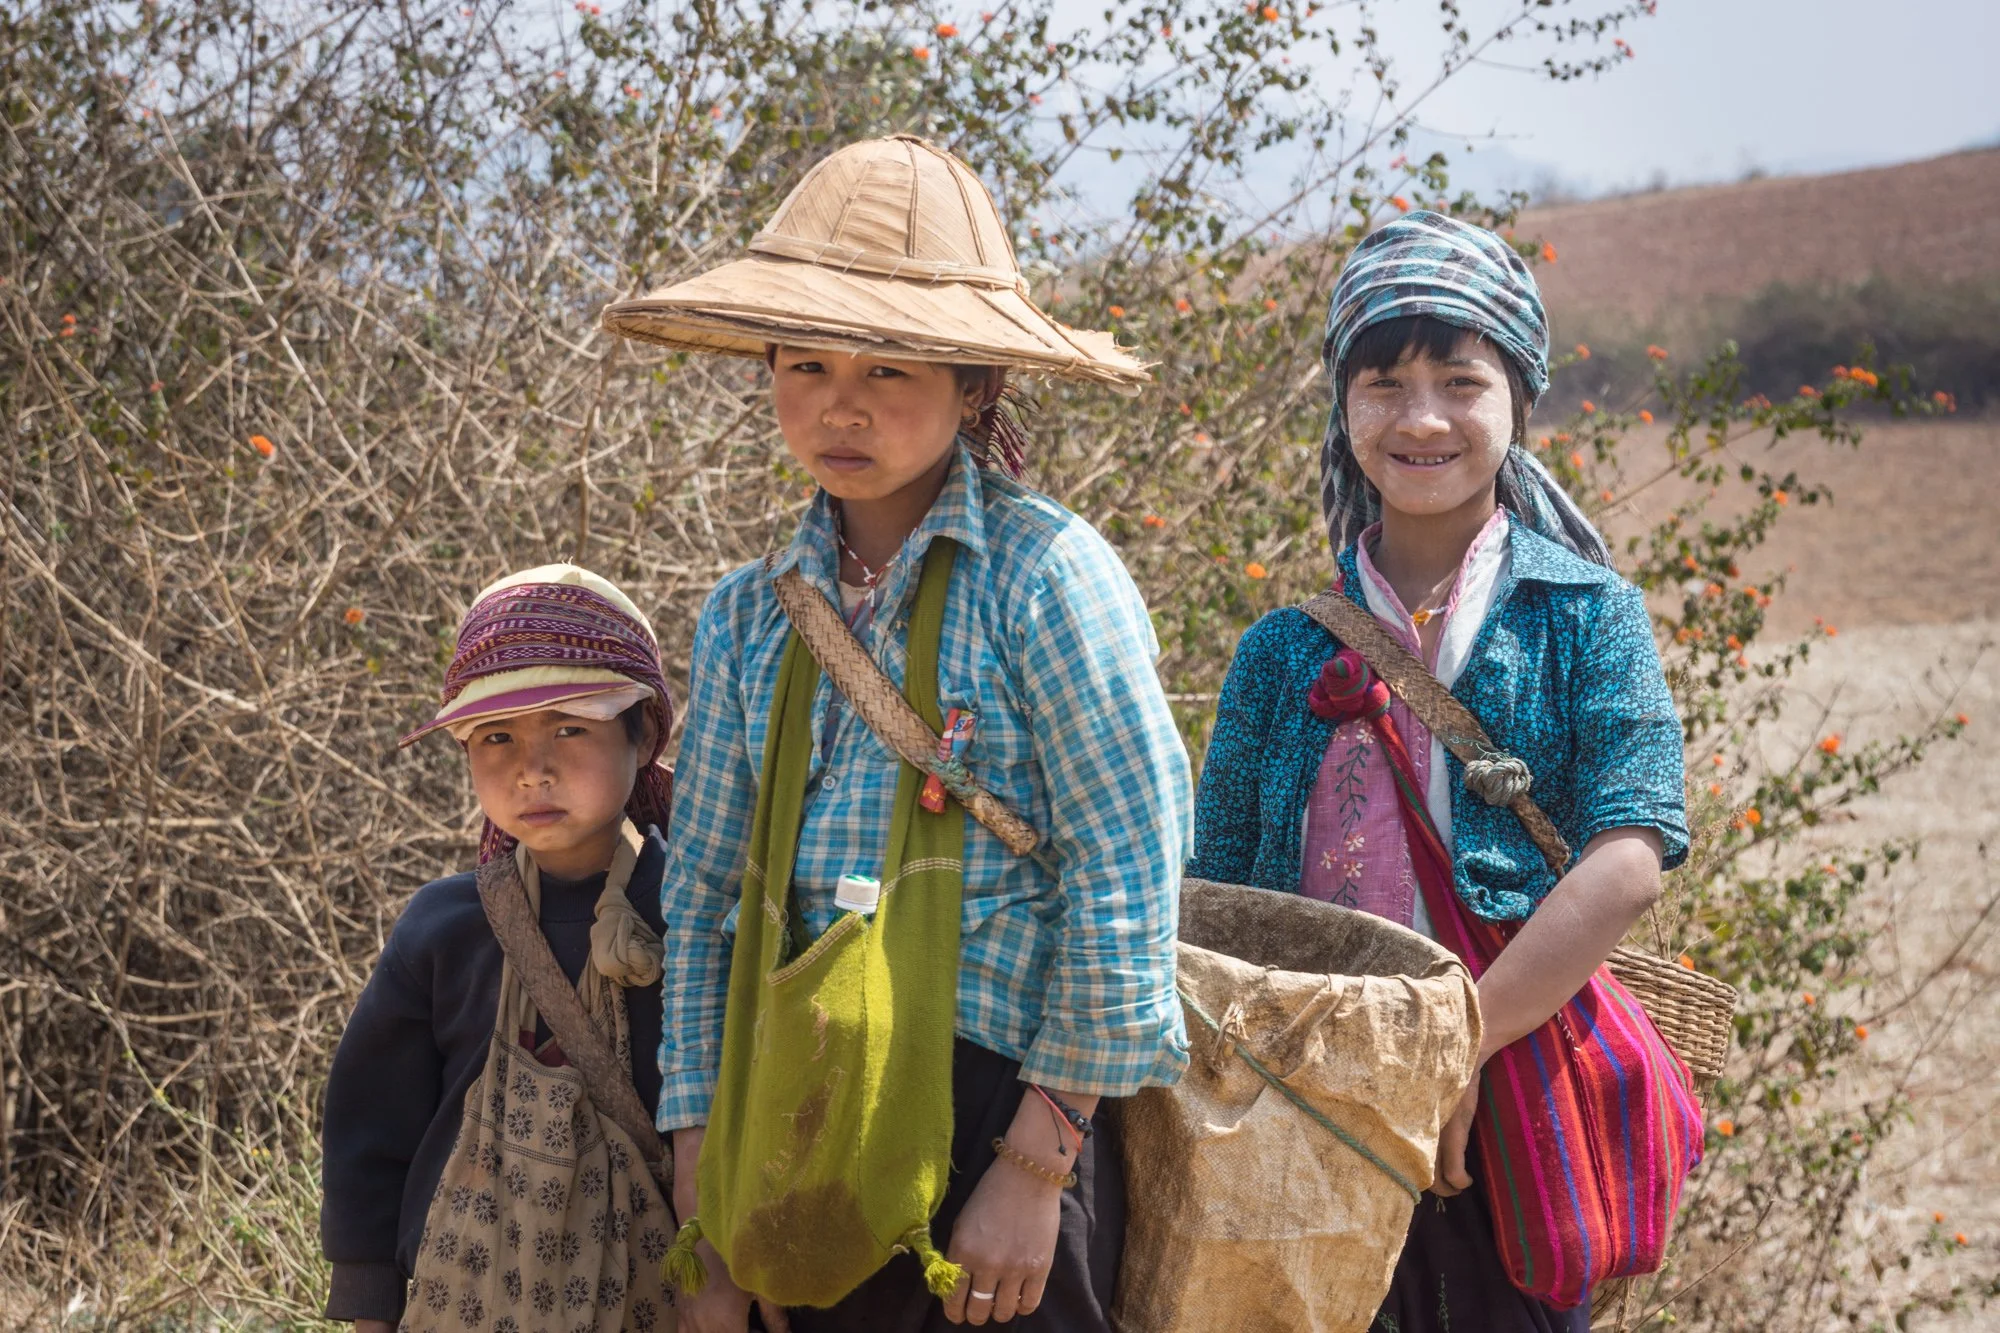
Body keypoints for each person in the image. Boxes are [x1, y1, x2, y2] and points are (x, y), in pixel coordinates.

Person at [598, 135, 1190, 1332]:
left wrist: (1032, 1170)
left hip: (993, 1111)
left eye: (889, 368)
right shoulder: (750, 613)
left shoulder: (1044, 577)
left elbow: (1126, 874)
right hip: (792, 1109)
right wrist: (702, 1160)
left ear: (975, 386)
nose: (841, 404)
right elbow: (705, 893)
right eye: (807, 363)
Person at [1186, 211, 1691, 1332]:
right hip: (1304, 1119)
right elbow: (1213, 899)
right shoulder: (1281, 651)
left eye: (1460, 382)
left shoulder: (1585, 616)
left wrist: (1456, 1051)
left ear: (1519, 400)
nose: (1421, 418)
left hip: (1507, 1109)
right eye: (1383, 385)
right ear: (1343, 407)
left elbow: (1628, 858)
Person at [319, 564, 677, 1331]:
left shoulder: (700, 916)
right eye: (496, 736)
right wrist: (369, 1307)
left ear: (644, 732)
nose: (531, 770)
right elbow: (369, 1128)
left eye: (570, 728)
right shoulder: (443, 929)